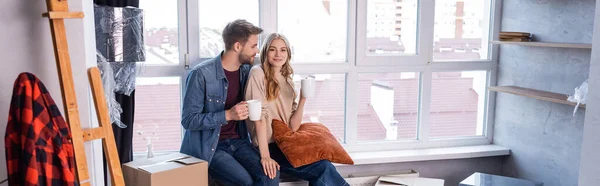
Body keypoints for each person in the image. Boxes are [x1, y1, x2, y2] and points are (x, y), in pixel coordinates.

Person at [180, 19, 278, 186]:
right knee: (244, 181)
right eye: (253, 46)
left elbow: (273, 64)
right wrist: (228, 115)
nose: (257, 51)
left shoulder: (247, 71)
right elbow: (188, 120)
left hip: (238, 141)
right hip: (210, 147)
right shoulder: (201, 74)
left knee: (270, 175)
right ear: (238, 46)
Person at [245, 33, 349, 186]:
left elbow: (293, 127)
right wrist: (265, 156)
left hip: (286, 142)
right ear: (266, 51)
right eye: (273, 49)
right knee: (323, 169)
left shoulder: (287, 79)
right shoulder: (257, 73)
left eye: (283, 50)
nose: (278, 54)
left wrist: (303, 98)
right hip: (267, 145)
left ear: (288, 54)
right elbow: (258, 118)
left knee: (324, 165)